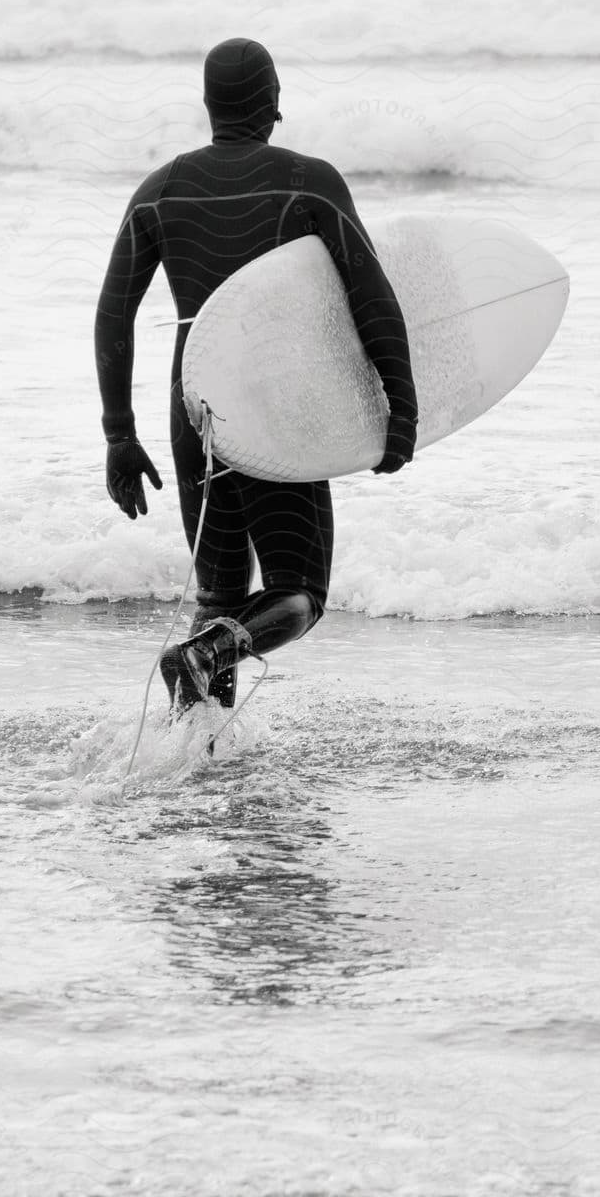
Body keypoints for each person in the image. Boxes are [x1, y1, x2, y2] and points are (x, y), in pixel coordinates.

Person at [94, 38, 417, 716]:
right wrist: (401, 407)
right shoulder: (308, 181)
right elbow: (370, 295)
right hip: (279, 403)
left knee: (218, 597)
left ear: (209, 105)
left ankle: (199, 758)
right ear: (271, 101)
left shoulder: (160, 191)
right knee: (300, 592)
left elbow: (113, 317)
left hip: (195, 404)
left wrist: (118, 437)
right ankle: (205, 661)